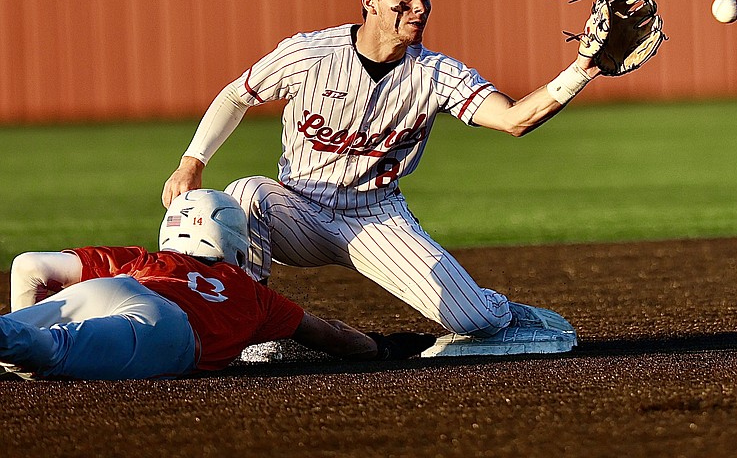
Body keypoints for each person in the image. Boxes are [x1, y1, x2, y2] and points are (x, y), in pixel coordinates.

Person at [161, 0, 597, 343]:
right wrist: (192, 161)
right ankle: (254, 329)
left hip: (376, 219)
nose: (420, 8)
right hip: (298, 209)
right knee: (243, 194)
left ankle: (499, 313)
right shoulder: (309, 53)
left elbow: (514, 119)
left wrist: (583, 69)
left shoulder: (436, 73)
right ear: (371, 1)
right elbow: (238, 95)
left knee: (471, 320)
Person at [0, 190, 435, 380]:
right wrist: (382, 348)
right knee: (46, 355)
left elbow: (29, 266)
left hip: (113, 287)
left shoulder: (146, 258)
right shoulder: (254, 294)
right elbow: (331, 337)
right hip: (168, 328)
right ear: (232, 237)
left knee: (20, 339)